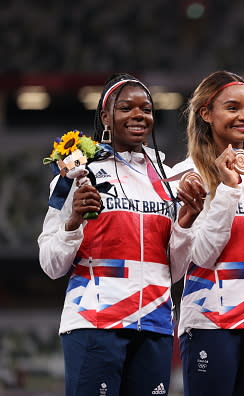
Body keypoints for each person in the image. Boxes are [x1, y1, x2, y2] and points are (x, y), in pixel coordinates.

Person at [38, 73, 191, 396]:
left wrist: (187, 224)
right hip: (95, 322)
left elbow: (173, 270)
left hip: (154, 324)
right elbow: (50, 263)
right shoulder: (77, 170)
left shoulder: (167, 179)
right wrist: (74, 220)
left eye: (146, 109)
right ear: (105, 116)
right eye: (126, 108)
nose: (139, 115)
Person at [171, 71, 244, 396]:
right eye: (232, 107)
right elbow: (203, 255)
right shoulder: (184, 178)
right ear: (206, 114)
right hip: (211, 320)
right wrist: (227, 189)